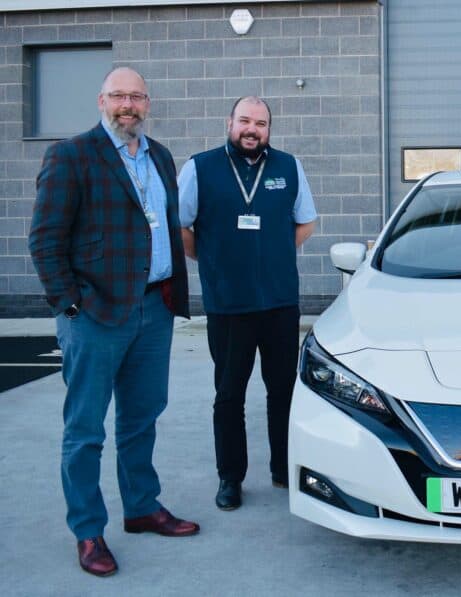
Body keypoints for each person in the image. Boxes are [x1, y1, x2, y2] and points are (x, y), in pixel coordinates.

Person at [29, 67, 199, 578]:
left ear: (148, 103)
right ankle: (87, 530)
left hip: (155, 308)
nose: (129, 104)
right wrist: (70, 306)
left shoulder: (162, 157)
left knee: (141, 418)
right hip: (95, 314)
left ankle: (142, 507)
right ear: (102, 100)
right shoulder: (71, 155)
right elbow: (45, 240)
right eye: (120, 95)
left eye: (138, 96)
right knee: (85, 430)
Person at [178, 96, 317, 511]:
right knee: (229, 395)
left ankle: (282, 469)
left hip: (278, 303)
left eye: (260, 122)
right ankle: (230, 478)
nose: (252, 129)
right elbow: (181, 224)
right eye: (244, 121)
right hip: (228, 305)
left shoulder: (288, 166)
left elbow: (306, 221)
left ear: (269, 129)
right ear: (230, 123)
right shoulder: (199, 167)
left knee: (283, 392)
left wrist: (272, 252)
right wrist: (214, 259)